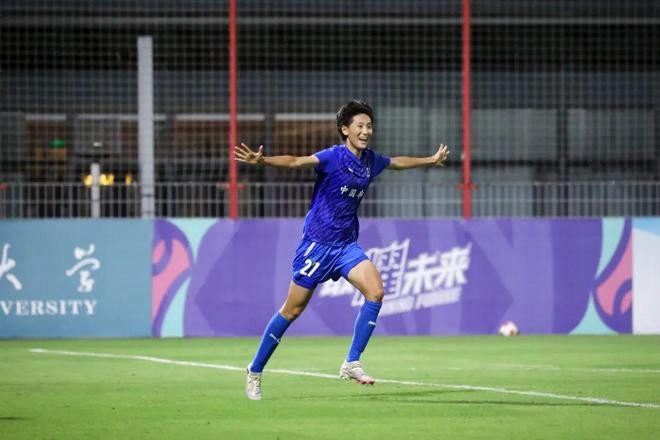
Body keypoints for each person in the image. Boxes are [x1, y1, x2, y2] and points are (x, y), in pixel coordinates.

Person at [235, 100, 449, 400]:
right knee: (292, 310)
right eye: (359, 126)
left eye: (369, 126)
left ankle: (351, 362)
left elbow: (397, 162)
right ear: (345, 130)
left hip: (346, 246)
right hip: (317, 246)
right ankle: (255, 370)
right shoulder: (333, 157)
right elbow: (296, 161)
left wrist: (430, 160)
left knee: (376, 292)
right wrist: (263, 161)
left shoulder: (370, 161)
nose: (366, 131)